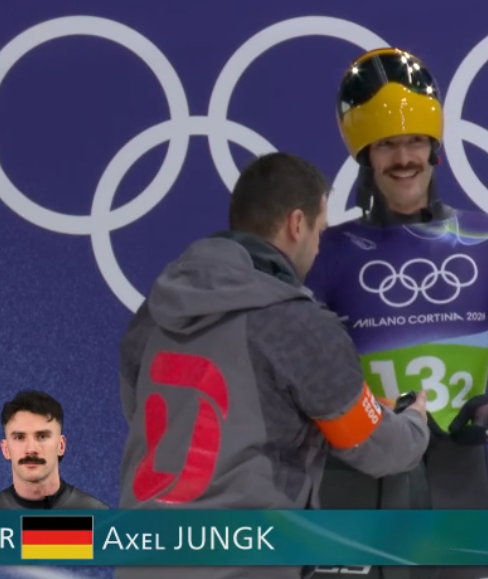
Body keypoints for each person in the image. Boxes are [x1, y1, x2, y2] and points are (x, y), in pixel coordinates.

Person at [116, 152, 430, 579]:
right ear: (297, 224)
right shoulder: (297, 323)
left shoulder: (152, 313)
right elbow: (373, 446)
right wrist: (414, 422)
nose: (318, 246)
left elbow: (141, 412)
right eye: (320, 231)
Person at [305, 47, 488, 579]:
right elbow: (283, 374)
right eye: (387, 144)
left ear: (434, 146)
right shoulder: (327, 254)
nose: (404, 158)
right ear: (365, 155)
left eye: (415, 141)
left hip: (462, 499)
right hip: (360, 501)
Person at [0, 390, 108, 510]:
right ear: (5, 449)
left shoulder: (98, 516)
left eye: (42, 436)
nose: (31, 449)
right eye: (19, 437)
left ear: (61, 445)